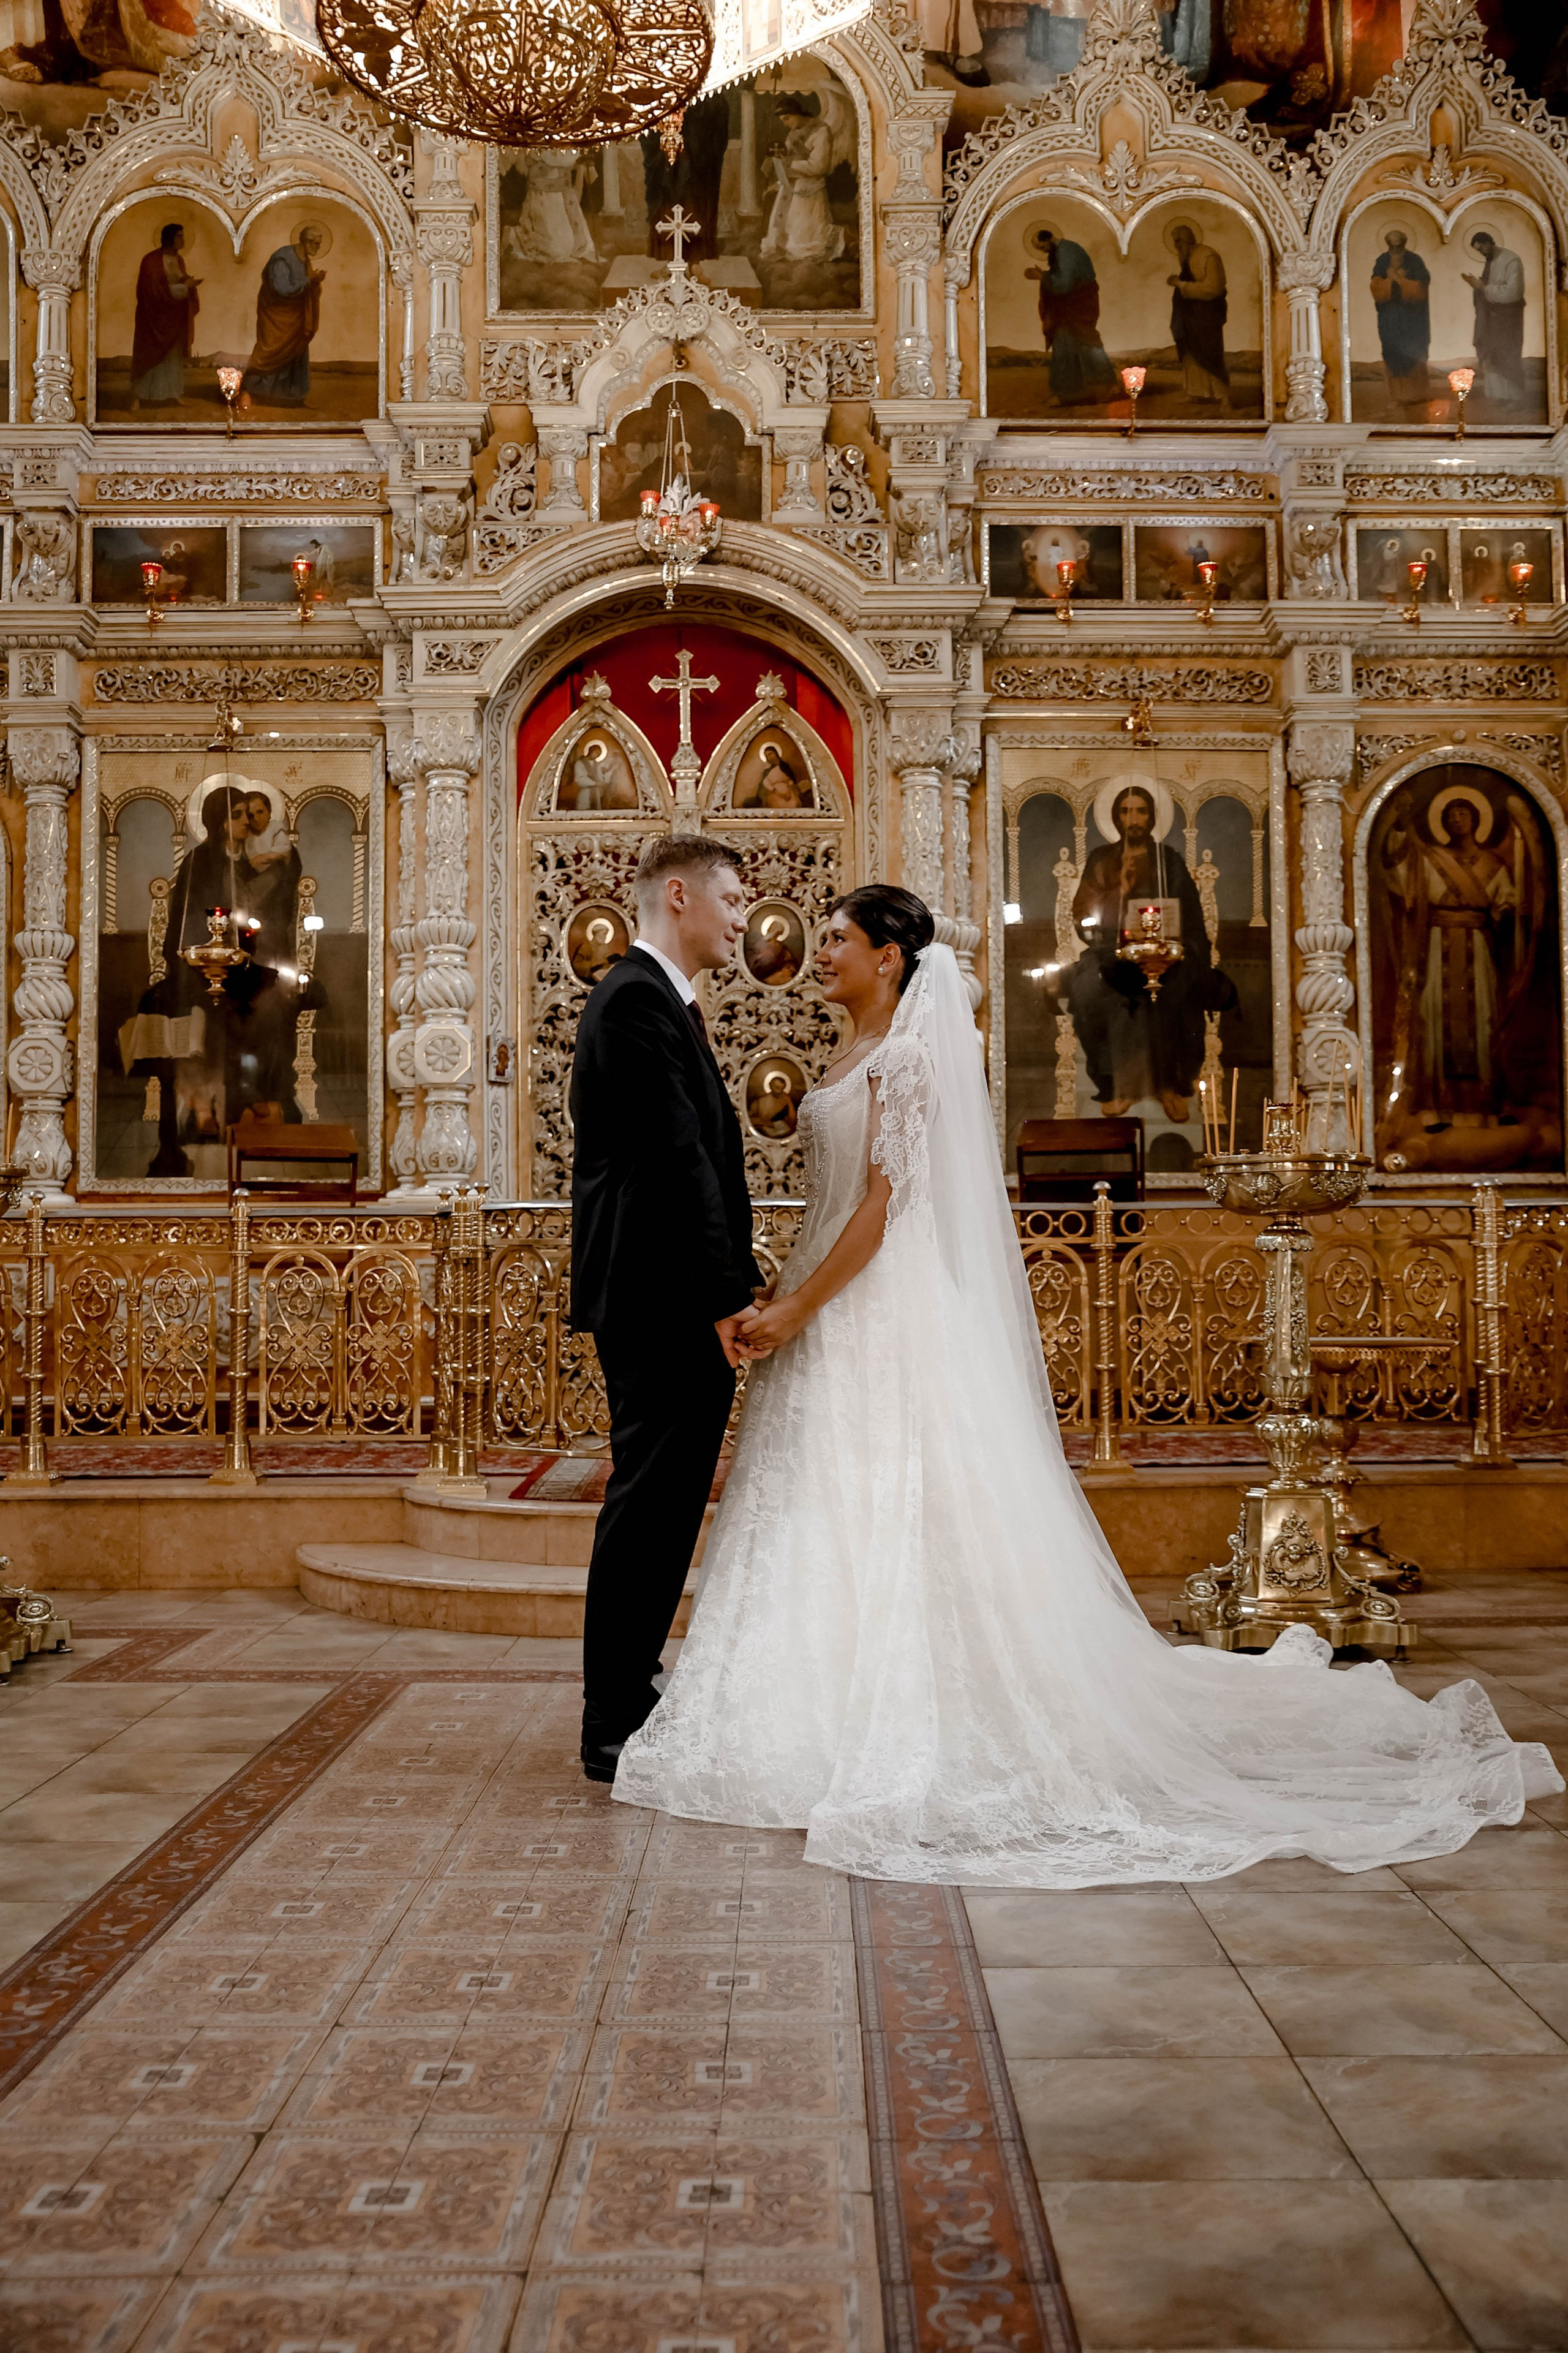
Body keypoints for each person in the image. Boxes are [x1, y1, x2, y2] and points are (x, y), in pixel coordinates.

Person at [613, 887, 1561, 1883]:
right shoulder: (847, 1053)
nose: (822, 953)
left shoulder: (909, 1057)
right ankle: (799, 1702)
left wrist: (802, 1305)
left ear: (891, 958)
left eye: (840, 939)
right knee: (824, 1503)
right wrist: (789, 1290)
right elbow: (838, 1198)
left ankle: (910, 1713)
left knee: (901, 1500)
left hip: (882, 1304)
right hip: (829, 1297)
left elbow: (889, 1209)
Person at [569, 834, 764, 1785]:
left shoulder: (655, 999)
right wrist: (729, 1294)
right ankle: (612, 1715)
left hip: (665, 1289)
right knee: (649, 1505)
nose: (742, 919)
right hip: (659, 1295)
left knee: (665, 1501)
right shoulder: (637, 1000)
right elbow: (679, 1161)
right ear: (677, 895)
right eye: (731, 899)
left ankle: (633, 1692)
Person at [1063, 785, 1226, 1122]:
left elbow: (1192, 916)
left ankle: (1170, 1085)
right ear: (1116, 817)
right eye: (1126, 811)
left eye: (1140, 811)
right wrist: (1117, 891)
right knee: (1092, 990)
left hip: (1166, 953)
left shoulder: (1169, 860)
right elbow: (1083, 913)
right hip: (1111, 953)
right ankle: (1119, 1088)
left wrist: (1181, 949)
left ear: (1152, 816)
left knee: (1180, 989)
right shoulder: (1101, 859)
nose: (1133, 819)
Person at [1024, 225, 1118, 406]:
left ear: (1048, 240)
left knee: (1076, 341)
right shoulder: (1061, 251)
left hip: (1078, 304)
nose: (1043, 252)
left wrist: (1041, 277)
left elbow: (1064, 285)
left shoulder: (1067, 252)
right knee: (1074, 342)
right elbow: (1061, 278)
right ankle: (1075, 390)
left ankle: (1070, 392)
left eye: (1043, 248)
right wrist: (1044, 275)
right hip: (1073, 304)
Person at [243, 222, 327, 407]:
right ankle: (256, 392)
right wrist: (310, 280)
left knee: (297, 352)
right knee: (270, 352)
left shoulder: (305, 259)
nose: (318, 248)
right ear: (306, 242)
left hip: (296, 318)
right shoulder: (282, 258)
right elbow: (282, 289)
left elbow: (305, 284)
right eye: (316, 244)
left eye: (319, 244)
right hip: (277, 316)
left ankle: (294, 398)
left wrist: (314, 281)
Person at [130, 222, 200, 410]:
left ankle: (172, 394)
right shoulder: (151, 261)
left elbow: (178, 278)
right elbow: (151, 291)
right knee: (149, 355)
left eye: (183, 236)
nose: (183, 240)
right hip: (153, 317)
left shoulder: (179, 260)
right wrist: (186, 287)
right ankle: (138, 397)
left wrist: (187, 282)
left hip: (174, 316)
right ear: (170, 238)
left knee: (172, 358)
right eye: (179, 236)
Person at [1167, 220, 1231, 409]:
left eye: (1179, 242)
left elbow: (1214, 288)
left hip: (1206, 316)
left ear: (1187, 240)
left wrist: (1180, 284)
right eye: (1175, 243)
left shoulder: (1208, 256)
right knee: (1191, 353)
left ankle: (1223, 397)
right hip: (1189, 315)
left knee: (1210, 353)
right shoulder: (1187, 257)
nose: (1176, 247)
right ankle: (1195, 392)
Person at [1463, 227, 1527, 406]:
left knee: (1508, 355)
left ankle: (1514, 398)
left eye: (1483, 248)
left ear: (1490, 242)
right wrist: (1477, 285)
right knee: (1492, 354)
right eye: (1479, 251)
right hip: (1491, 319)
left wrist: (1482, 287)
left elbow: (1513, 293)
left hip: (1507, 319)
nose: (1482, 253)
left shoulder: (1511, 260)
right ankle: (1499, 396)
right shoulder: (1490, 261)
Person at [1370, 227, 1431, 406]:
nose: (1395, 250)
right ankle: (1398, 396)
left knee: (1415, 350)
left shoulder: (1414, 261)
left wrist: (1400, 280)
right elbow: (1376, 286)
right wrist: (1390, 280)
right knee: (1393, 350)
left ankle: (1419, 394)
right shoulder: (1382, 261)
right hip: (1390, 317)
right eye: (1392, 246)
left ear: (1404, 243)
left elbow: (1422, 287)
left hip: (1413, 317)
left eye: (1398, 246)